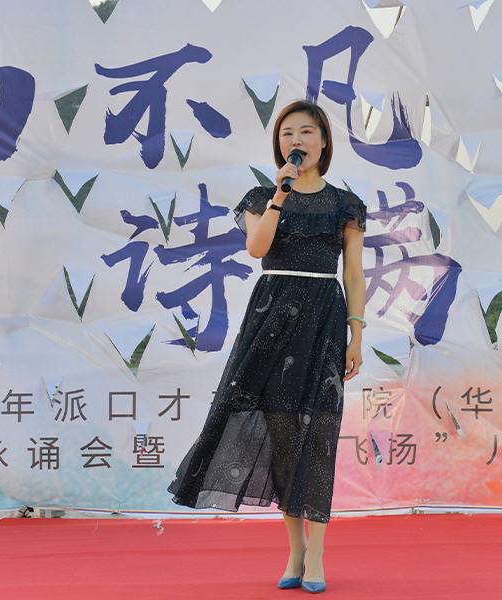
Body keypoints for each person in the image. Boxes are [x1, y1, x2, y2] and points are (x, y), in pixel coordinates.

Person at [168, 100, 366, 594]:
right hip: (271, 316)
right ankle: (295, 551)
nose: (295, 140)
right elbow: (257, 248)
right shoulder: (262, 195)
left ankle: (317, 554)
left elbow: (354, 272)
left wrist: (357, 333)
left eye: (306, 132)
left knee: (317, 436)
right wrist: (280, 194)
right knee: (281, 436)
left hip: (323, 318)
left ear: (323, 141)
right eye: (286, 133)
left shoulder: (346, 204)